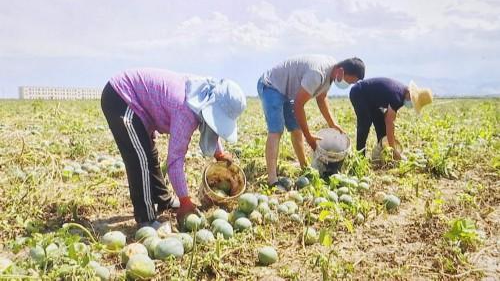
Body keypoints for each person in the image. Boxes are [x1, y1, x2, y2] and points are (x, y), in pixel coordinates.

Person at [101, 68, 246, 228]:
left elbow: (212, 126)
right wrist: (185, 200)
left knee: (150, 153)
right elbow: (175, 160)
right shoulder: (185, 110)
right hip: (121, 97)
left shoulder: (203, 93)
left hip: (138, 103)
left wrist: (219, 153)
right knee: (140, 159)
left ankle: (164, 200)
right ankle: (146, 218)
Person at [257, 55, 365, 190]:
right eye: (349, 81)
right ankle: (272, 180)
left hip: (287, 91)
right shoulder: (317, 74)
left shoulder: (331, 72)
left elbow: (321, 98)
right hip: (271, 85)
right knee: (276, 130)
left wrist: (332, 123)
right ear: (341, 71)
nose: (347, 85)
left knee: (296, 129)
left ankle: (305, 167)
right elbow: (298, 105)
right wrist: (309, 137)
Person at [349, 78, 432, 159]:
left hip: (371, 101)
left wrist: (390, 136)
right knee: (365, 124)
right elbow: (389, 122)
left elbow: (387, 117)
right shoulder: (397, 96)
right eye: (412, 101)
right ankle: (360, 157)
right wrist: (393, 149)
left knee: (381, 125)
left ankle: (381, 154)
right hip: (359, 93)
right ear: (410, 94)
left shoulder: (401, 93)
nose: (411, 104)